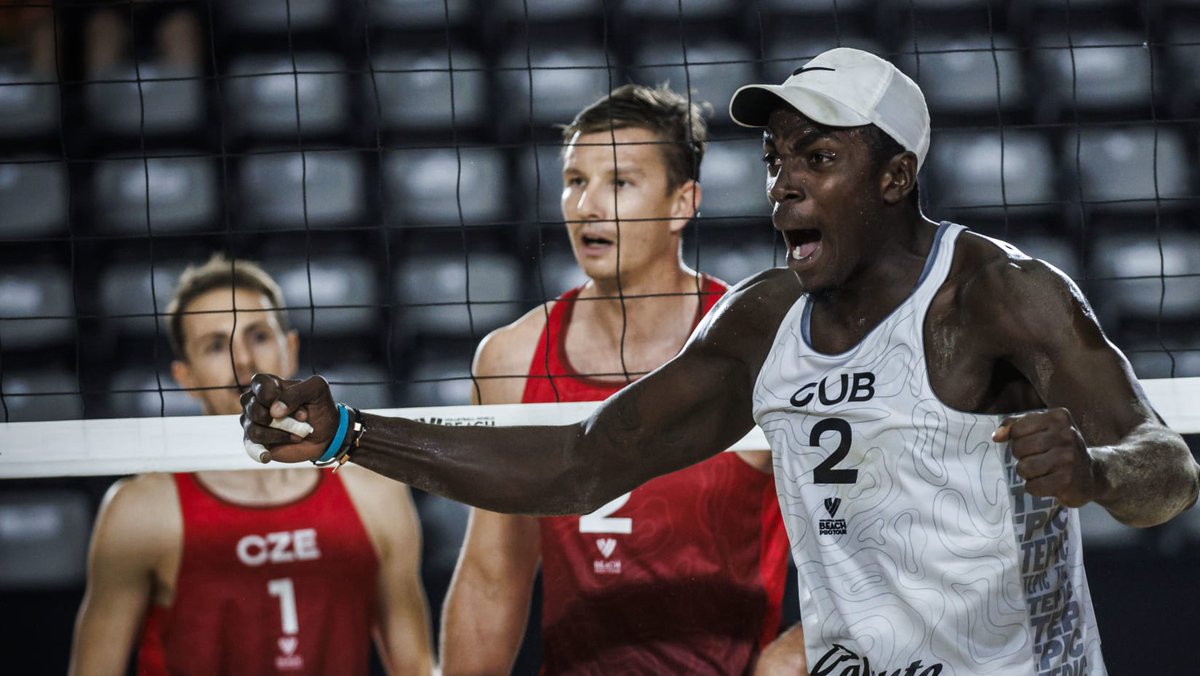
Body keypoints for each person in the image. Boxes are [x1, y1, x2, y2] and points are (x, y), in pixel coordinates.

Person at [243, 48, 1200, 675]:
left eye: (817, 158)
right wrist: (347, 433)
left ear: (896, 176)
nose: (784, 184)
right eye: (777, 159)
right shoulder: (764, 322)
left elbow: (1170, 470)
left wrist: (1098, 471)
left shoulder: (1000, 291)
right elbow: (582, 465)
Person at [438, 84, 796, 675]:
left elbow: (865, 540)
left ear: (684, 203)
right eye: (576, 180)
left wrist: (798, 653)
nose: (588, 205)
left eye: (619, 182)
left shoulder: (761, 346)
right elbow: (492, 577)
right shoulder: (512, 358)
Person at [71, 254, 433, 676]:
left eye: (258, 335)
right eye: (214, 345)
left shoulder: (375, 491)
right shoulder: (139, 510)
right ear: (184, 377)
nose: (242, 358)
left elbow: (418, 667)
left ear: (291, 348)